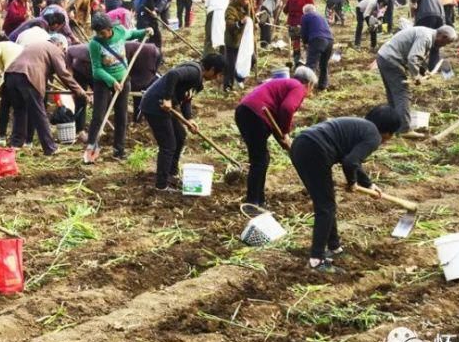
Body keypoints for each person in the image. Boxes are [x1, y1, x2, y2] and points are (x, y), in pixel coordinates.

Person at [290, 106, 400, 273]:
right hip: (314, 149)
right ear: (389, 133)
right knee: (325, 207)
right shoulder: (374, 137)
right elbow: (350, 162)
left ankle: (334, 248)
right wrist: (352, 182)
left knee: (326, 203)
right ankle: (316, 261)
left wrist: (368, 184)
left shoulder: (360, 127)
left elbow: (352, 160)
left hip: (301, 145)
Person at [140, 53, 226, 191]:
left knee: (180, 136)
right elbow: (173, 75)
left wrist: (189, 118)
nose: (216, 77)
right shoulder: (194, 71)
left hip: (166, 108)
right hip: (155, 105)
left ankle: (171, 174)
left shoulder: (198, 80)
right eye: (217, 74)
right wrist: (167, 98)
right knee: (168, 145)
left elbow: (186, 98)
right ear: (212, 68)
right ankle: (161, 185)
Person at [236, 67, 317, 207]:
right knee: (260, 160)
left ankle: (259, 200)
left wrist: (283, 141)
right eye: (312, 87)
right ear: (308, 84)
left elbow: (274, 118)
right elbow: (286, 109)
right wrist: (285, 133)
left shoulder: (286, 85)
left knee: (261, 159)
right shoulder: (298, 87)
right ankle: (253, 202)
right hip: (254, 115)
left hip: (246, 112)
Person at [4, 35, 88, 155]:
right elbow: (63, 74)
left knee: (19, 110)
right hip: (28, 77)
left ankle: (16, 144)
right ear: (59, 45)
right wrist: (79, 91)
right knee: (39, 113)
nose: (63, 53)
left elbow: (45, 70)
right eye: (64, 50)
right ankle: (50, 148)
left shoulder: (36, 46)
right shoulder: (54, 50)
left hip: (11, 75)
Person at [85, 12, 150, 160]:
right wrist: (111, 81)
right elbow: (96, 69)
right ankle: (91, 147)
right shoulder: (95, 44)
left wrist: (144, 32)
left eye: (103, 32)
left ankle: (119, 150)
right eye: (98, 33)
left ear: (110, 28)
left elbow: (132, 33)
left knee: (121, 116)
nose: (102, 35)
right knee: (98, 116)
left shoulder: (120, 31)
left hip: (123, 79)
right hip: (103, 82)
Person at [376, 25, 457, 136]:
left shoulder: (428, 34)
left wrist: (424, 71)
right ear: (442, 36)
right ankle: (404, 129)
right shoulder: (426, 38)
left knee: (393, 94)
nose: (444, 45)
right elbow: (413, 58)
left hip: (384, 56)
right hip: (391, 59)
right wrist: (416, 76)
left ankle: (393, 125)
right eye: (446, 42)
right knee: (402, 94)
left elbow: (418, 57)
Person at [285, 0, 314, 66]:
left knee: (296, 42)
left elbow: (285, 10)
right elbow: (312, 13)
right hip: (304, 24)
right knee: (307, 43)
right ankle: (306, 60)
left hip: (292, 24)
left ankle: (296, 61)